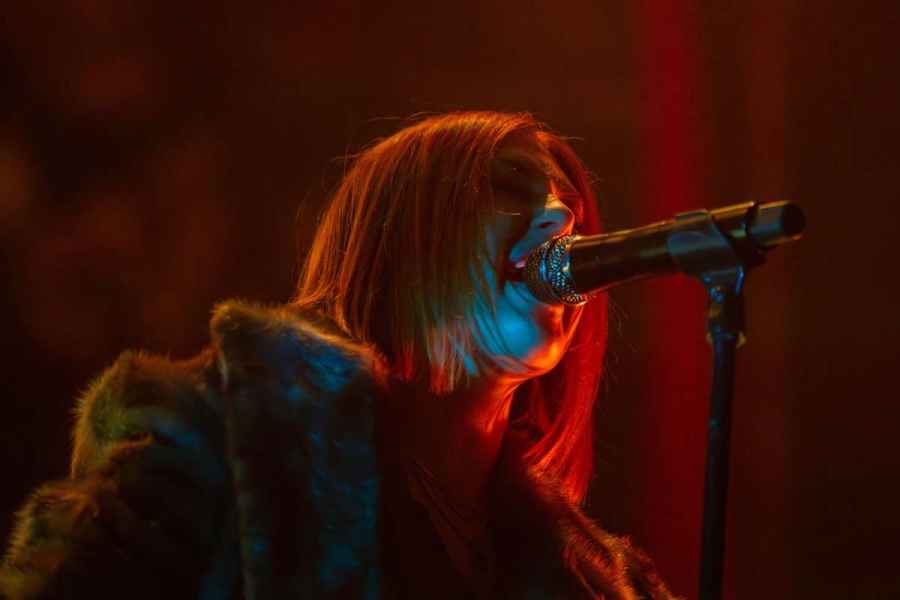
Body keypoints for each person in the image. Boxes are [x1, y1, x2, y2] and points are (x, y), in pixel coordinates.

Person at [0, 111, 678, 599]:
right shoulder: (218, 441)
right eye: (509, 187)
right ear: (402, 245)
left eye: (565, 203)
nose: (560, 217)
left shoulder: (595, 578)